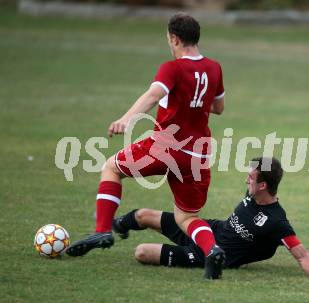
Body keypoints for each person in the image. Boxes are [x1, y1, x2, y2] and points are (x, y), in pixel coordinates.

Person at [66, 13, 227, 279]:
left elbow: (154, 94)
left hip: (165, 146)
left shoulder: (172, 68)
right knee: (186, 218)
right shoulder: (215, 68)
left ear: (174, 38)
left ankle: (103, 230)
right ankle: (212, 250)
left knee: (111, 168)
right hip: (197, 154)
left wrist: (125, 119)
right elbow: (219, 108)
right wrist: (193, 102)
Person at [112, 157, 309, 283]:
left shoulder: (276, 222)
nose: (246, 180)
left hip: (208, 254)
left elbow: (302, 254)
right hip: (208, 229)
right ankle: (114, 226)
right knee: (141, 216)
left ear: (263, 186)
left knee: (141, 252)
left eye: (250, 178)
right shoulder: (253, 192)